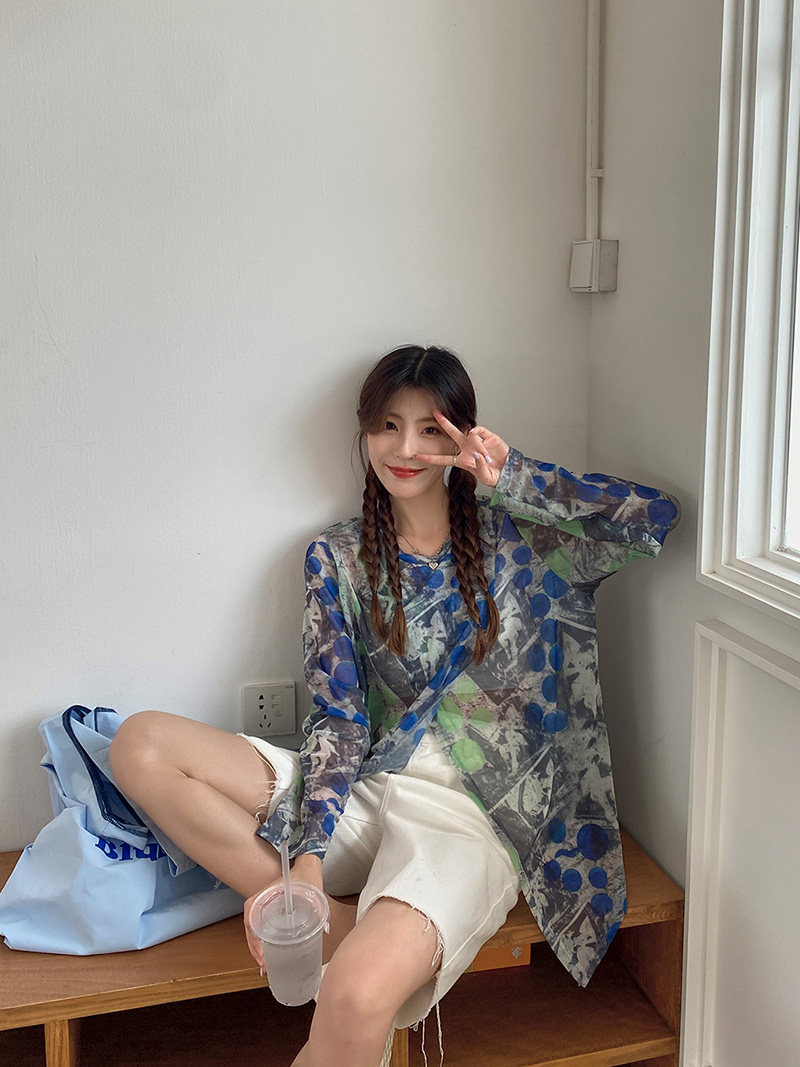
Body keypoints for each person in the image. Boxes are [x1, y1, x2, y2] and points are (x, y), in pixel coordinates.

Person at [109, 345, 680, 1067]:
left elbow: (653, 518)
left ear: (461, 434)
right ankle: (319, 914)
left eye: (430, 428)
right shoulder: (336, 557)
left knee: (352, 996)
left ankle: (353, 944)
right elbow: (340, 717)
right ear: (364, 433)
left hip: (477, 813)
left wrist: (514, 475)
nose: (406, 448)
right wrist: (307, 859)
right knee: (140, 744)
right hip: (369, 783)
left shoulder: (526, 539)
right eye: (387, 426)